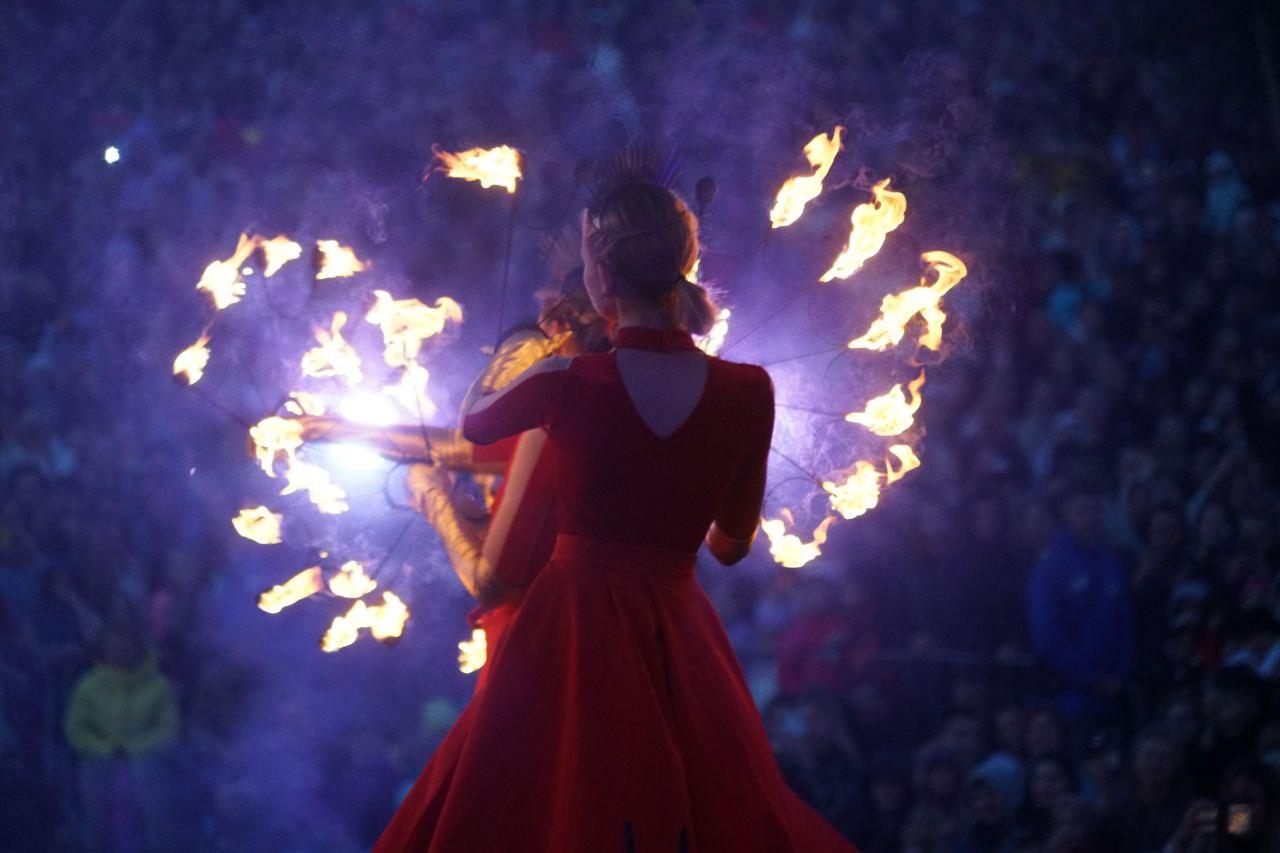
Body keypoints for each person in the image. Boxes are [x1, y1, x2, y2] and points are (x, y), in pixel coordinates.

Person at [375, 180, 854, 850]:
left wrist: (525, 342)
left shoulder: (567, 384)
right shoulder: (749, 390)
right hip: (676, 630)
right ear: (682, 264)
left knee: (540, 804)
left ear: (599, 277)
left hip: (568, 631)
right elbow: (731, 544)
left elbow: (475, 421)